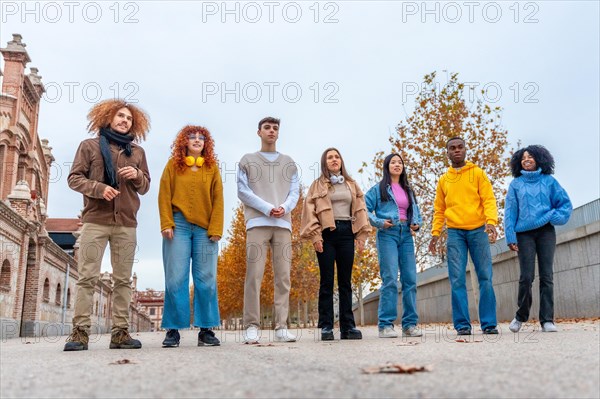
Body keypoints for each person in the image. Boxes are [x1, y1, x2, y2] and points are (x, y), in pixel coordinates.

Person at [64, 99, 150, 351]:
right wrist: (99, 188)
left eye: (129, 119)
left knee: (123, 281)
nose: (125, 121)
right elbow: (74, 178)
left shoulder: (137, 153)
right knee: (87, 278)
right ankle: (79, 334)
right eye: (120, 116)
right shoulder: (89, 146)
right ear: (108, 118)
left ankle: (120, 334)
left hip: (126, 223)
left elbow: (145, 187)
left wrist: (137, 175)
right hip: (95, 220)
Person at [158, 125, 224, 347]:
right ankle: (173, 330)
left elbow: (218, 199)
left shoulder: (212, 168)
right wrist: (166, 222)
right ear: (184, 142)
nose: (197, 140)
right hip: (178, 226)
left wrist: (216, 228)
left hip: (205, 229)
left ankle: (206, 329)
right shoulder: (173, 166)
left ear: (206, 144)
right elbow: (164, 194)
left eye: (201, 137)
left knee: (206, 279)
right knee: (176, 277)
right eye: (192, 137)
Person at [237, 117, 299, 343]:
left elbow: (295, 192)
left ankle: (281, 326)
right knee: (254, 275)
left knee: (283, 277)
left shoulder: (289, 163)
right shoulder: (247, 160)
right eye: (267, 128)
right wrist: (267, 208)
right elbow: (243, 191)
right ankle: (252, 325)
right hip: (257, 224)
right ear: (259, 132)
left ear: (278, 133)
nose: (271, 131)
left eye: (275, 128)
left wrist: (284, 208)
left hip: (283, 225)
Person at [428, 137, 499, 335]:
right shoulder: (443, 180)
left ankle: (489, 324)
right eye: (452, 148)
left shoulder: (478, 173)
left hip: (478, 231)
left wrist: (491, 222)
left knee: (485, 276)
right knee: (457, 279)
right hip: (454, 233)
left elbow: (489, 199)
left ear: (465, 150)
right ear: (447, 153)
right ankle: (462, 325)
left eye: (460, 147)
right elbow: (439, 209)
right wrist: (435, 234)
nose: (457, 150)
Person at [300, 148, 371, 341]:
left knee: (346, 282)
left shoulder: (351, 184)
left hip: (347, 232)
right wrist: (315, 236)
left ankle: (348, 327)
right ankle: (326, 326)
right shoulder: (317, 185)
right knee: (327, 281)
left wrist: (362, 235)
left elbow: (361, 208)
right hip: (326, 234)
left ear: (341, 161)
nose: (334, 160)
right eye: (330, 157)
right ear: (325, 162)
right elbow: (310, 210)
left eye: (337, 157)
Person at [504, 145, 572, 333]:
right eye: (523, 157)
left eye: (531, 157)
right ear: (519, 162)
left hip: (545, 232)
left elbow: (564, 204)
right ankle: (520, 316)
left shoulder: (549, 181)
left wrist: (555, 217)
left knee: (547, 276)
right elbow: (510, 212)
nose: (527, 160)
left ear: (539, 159)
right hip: (523, 234)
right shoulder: (515, 184)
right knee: (526, 276)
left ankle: (547, 320)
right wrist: (510, 235)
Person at [365, 153, 423, 338]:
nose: (397, 165)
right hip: (387, 234)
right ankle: (385, 325)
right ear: (387, 166)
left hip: (406, 234)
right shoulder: (378, 189)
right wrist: (379, 222)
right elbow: (363, 208)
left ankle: (410, 325)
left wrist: (416, 223)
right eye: (393, 162)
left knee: (410, 280)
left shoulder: (408, 190)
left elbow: (416, 212)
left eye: (400, 162)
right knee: (390, 278)